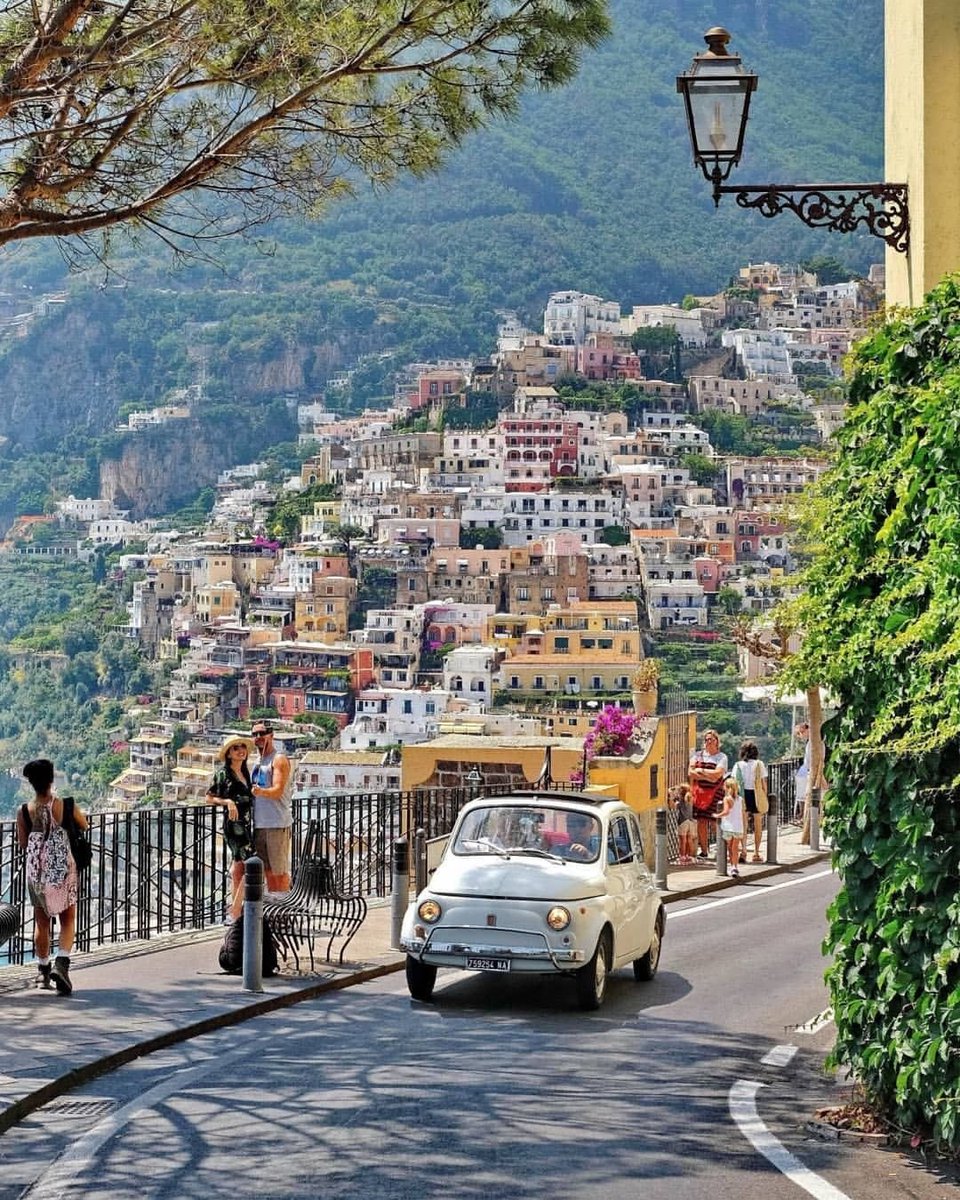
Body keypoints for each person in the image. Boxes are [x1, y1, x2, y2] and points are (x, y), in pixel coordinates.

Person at [16, 758, 87, 995]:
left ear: (31, 783)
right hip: (62, 869)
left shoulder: (24, 811)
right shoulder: (65, 805)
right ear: (51, 779)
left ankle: (43, 971)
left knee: (41, 922)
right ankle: (62, 964)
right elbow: (84, 824)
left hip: (37, 872)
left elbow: (23, 843)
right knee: (68, 919)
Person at [205, 734, 256, 920]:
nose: (241, 750)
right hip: (235, 826)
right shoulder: (223, 773)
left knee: (239, 868)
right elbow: (208, 797)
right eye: (236, 748)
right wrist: (227, 802)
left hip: (248, 823)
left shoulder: (245, 772)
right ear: (228, 753)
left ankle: (235, 912)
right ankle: (235, 910)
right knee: (250, 864)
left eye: (243, 747)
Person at [250, 721, 293, 894]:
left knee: (279, 872)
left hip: (276, 823)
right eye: (255, 734)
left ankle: (284, 909)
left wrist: (259, 792)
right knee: (267, 871)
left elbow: (277, 790)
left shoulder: (278, 759)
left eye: (263, 733)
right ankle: (274, 908)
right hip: (260, 824)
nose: (259, 737)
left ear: (271, 735)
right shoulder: (257, 761)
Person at [688, 729, 728, 860]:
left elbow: (718, 775)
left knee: (716, 822)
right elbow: (691, 773)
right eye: (706, 739)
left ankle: (720, 850)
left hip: (716, 793)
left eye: (711, 739)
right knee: (701, 822)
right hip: (699, 795)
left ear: (717, 741)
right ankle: (704, 851)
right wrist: (709, 776)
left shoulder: (722, 757)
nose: (708, 742)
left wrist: (701, 771)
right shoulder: (697, 755)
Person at [734, 741, 768, 863]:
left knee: (744, 825)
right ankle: (756, 852)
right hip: (756, 794)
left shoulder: (738, 765)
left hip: (743, 795)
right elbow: (764, 783)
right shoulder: (759, 764)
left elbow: (734, 782)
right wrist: (765, 795)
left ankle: (743, 851)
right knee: (758, 825)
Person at [716, 775, 745, 878]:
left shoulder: (726, 799)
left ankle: (732, 865)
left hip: (728, 826)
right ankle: (734, 866)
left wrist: (717, 815)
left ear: (727, 787)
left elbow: (726, 811)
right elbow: (742, 813)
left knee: (730, 847)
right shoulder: (740, 799)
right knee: (735, 848)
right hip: (738, 826)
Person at [668, 783, 696, 865]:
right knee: (689, 840)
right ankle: (689, 856)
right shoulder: (690, 798)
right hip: (690, 821)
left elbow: (673, 806)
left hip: (683, 821)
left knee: (682, 840)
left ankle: (682, 856)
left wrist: (671, 795)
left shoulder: (681, 800)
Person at [794, 722, 812, 822]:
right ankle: (803, 814)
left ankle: (803, 815)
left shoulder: (811, 742)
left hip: (806, 771)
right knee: (803, 794)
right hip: (805, 771)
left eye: (801, 733)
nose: (801, 736)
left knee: (804, 795)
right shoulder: (809, 742)